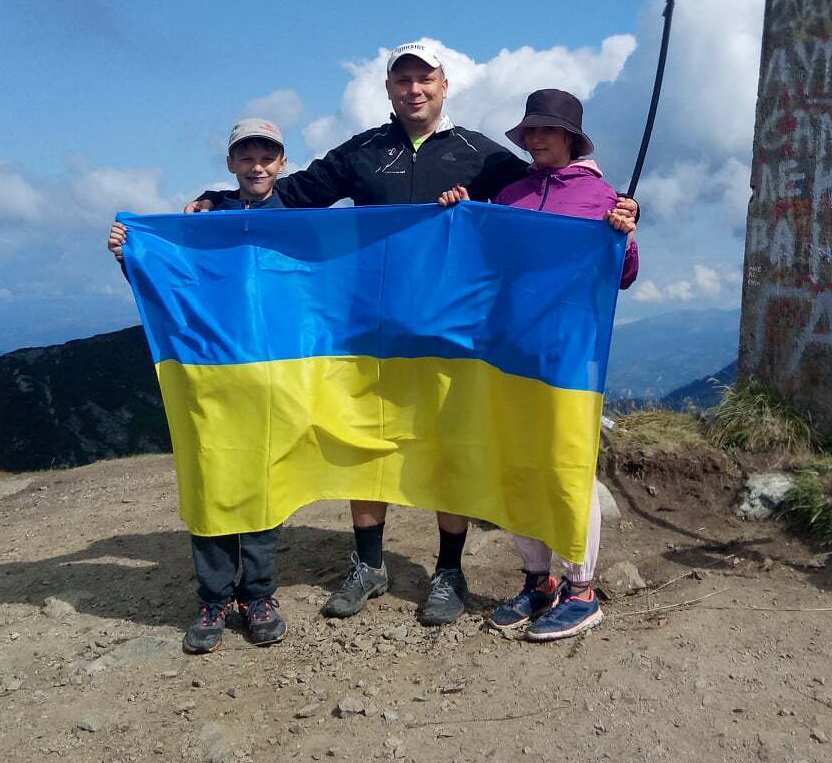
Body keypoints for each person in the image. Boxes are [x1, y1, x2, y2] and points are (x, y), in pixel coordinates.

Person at [186, 41, 640, 628]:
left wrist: (612, 219)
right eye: (402, 80)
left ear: (444, 85)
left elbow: (542, 194)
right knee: (362, 439)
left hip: (452, 332)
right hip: (368, 327)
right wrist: (218, 205)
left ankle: (450, 572)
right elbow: (289, 199)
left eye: (424, 79)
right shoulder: (364, 151)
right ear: (389, 90)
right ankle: (367, 563)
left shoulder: (483, 156)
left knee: (447, 447)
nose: (414, 90)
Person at [439, 88, 637, 640]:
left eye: (548, 130)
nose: (536, 138)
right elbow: (478, 262)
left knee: (566, 466)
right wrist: (460, 216)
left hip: (568, 356)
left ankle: (582, 588)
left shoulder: (602, 197)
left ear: (571, 137)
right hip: (509, 353)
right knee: (517, 466)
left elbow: (622, 274)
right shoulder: (510, 195)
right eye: (531, 130)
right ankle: (538, 581)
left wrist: (624, 234)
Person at [107, 117, 292, 654]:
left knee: (262, 481)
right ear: (231, 164)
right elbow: (174, 287)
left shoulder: (300, 222)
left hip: (275, 372)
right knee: (211, 475)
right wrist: (131, 254)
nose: (257, 166)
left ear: (282, 164)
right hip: (208, 370)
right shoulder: (202, 219)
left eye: (267, 157)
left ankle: (257, 594)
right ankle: (214, 597)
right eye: (246, 157)